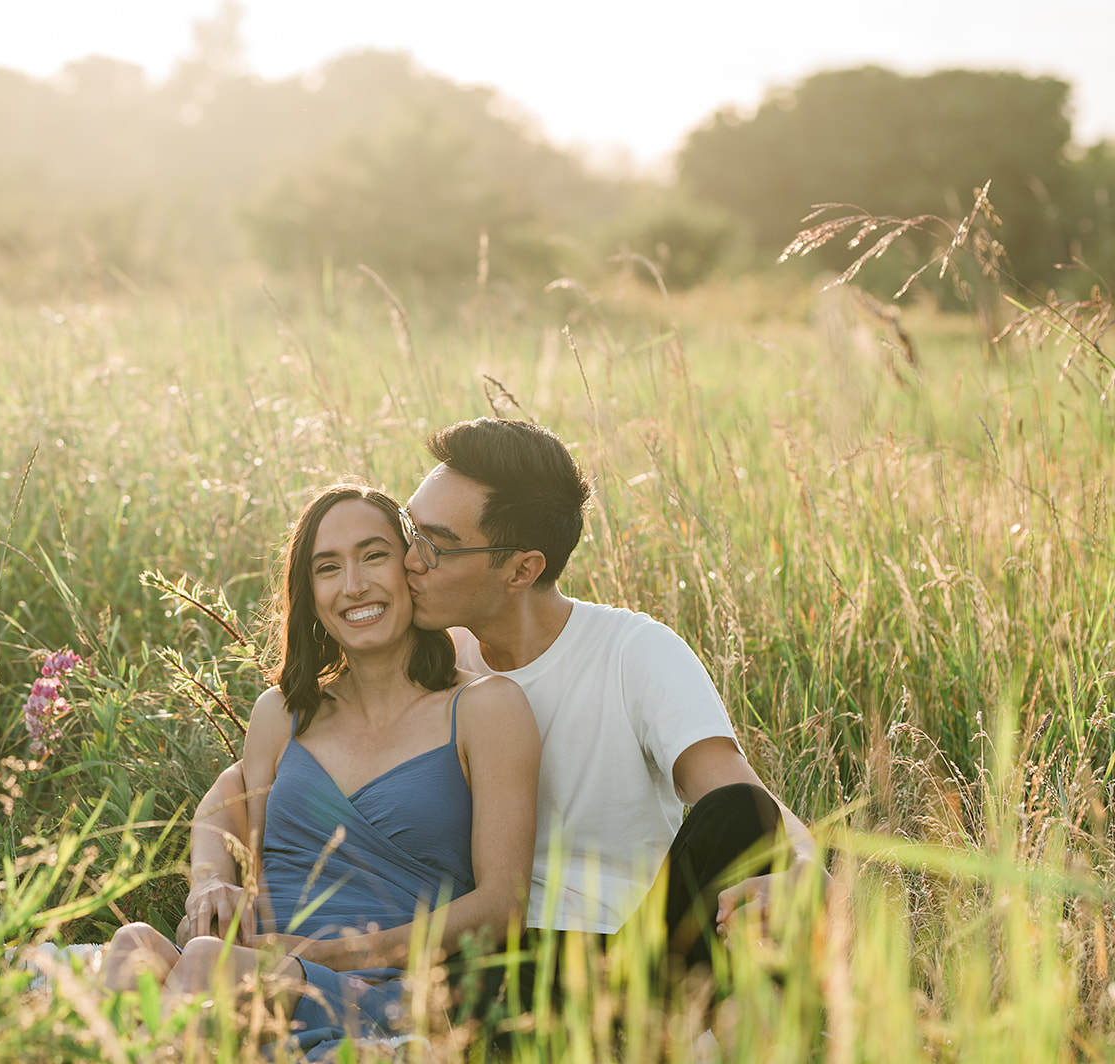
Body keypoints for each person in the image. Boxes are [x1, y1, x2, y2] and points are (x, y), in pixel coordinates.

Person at [183, 419, 821, 1015]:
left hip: (620, 941)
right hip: (482, 955)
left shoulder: (633, 652)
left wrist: (803, 873)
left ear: (522, 569)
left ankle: (653, 1015)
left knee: (737, 817)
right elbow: (248, 780)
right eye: (410, 533)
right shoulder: (439, 664)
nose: (409, 562)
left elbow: (738, 791)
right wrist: (208, 880)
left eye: (436, 547)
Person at [101, 481, 541, 1058]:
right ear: (309, 593)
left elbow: (503, 906)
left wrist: (318, 954)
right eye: (328, 567)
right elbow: (227, 799)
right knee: (135, 943)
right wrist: (210, 888)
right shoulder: (282, 713)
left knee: (204, 966)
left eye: (374, 555)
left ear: (412, 567)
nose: (354, 585)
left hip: (382, 986)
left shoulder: (487, 708)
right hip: (252, 964)